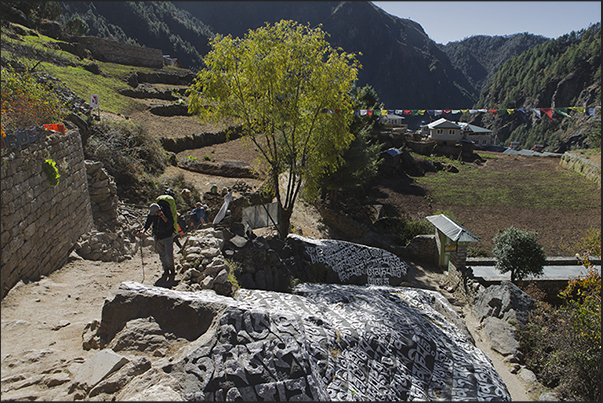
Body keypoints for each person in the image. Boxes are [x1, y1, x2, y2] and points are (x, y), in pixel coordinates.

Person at [138, 203, 175, 278]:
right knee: (162, 255)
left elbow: (170, 223)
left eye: (155, 213)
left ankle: (172, 270)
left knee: (169, 255)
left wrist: (162, 216)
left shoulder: (166, 211)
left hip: (167, 236)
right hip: (158, 237)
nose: (153, 215)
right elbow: (147, 223)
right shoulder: (152, 214)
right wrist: (143, 230)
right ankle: (166, 270)